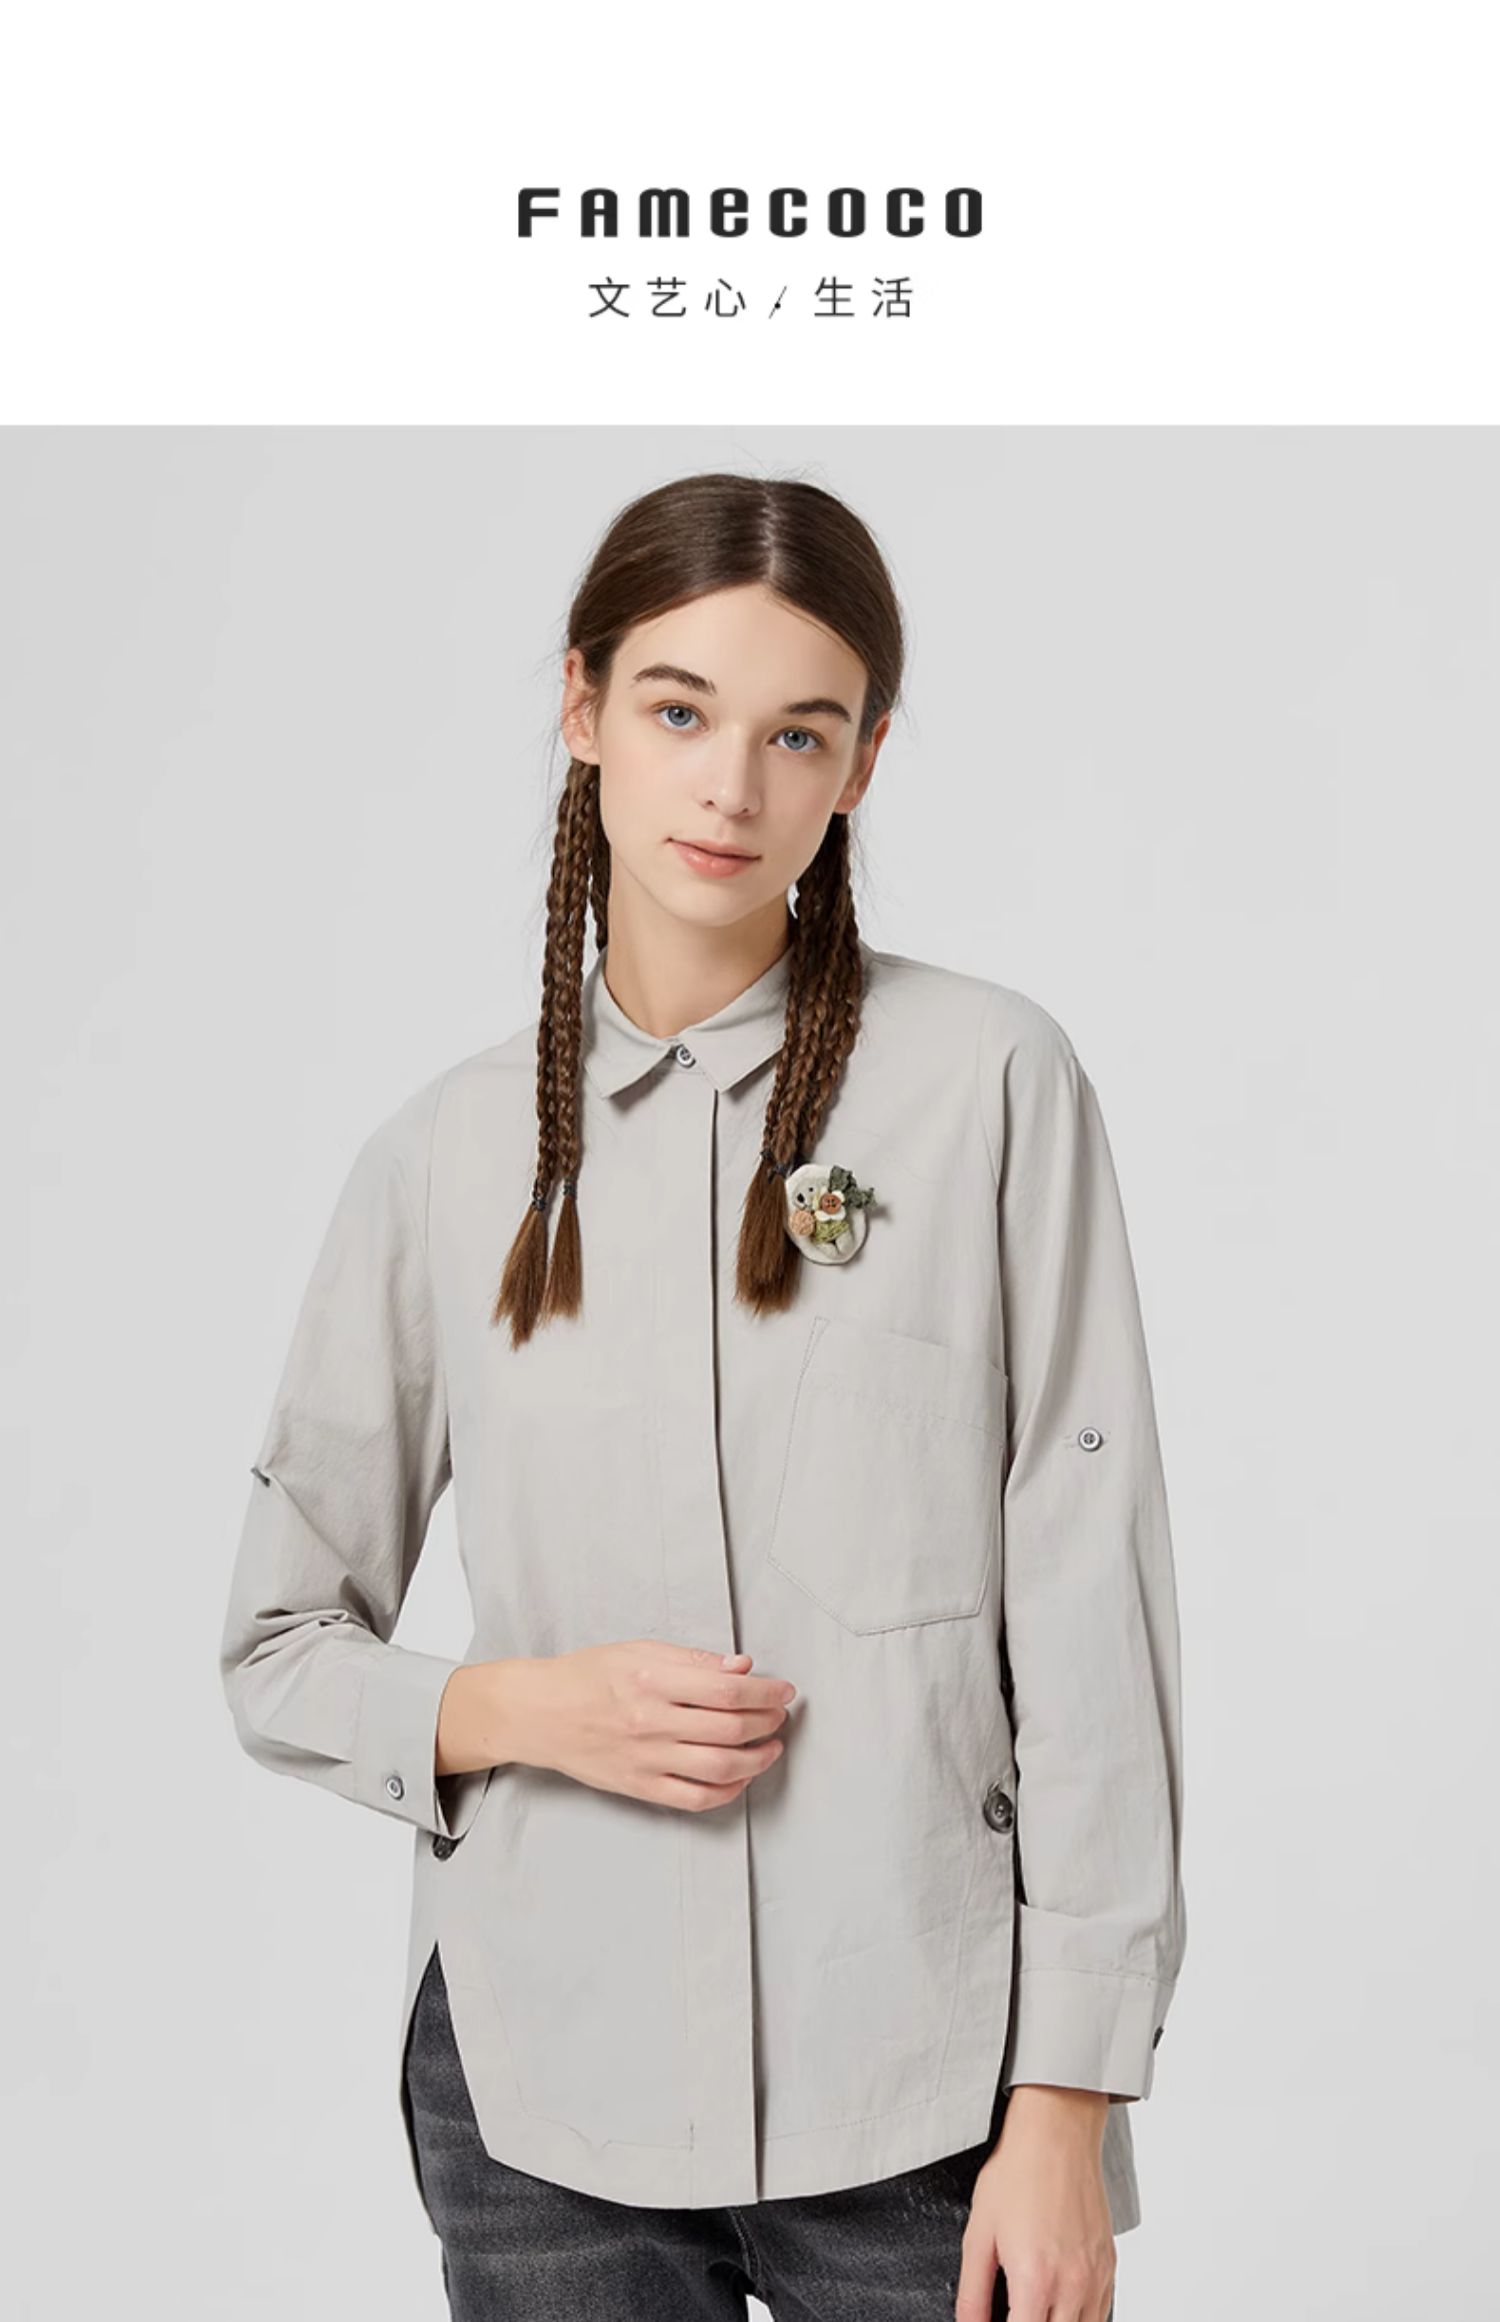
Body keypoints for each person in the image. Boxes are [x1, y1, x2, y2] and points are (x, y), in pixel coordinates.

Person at [219, 470, 1186, 2322]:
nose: (732, 785)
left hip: (929, 2102)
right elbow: (276, 1642)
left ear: (862, 762)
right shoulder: (441, 1163)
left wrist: (1069, 2099)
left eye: (797, 731)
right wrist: (528, 1706)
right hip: (541, 2099)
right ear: (583, 710)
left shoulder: (992, 1087)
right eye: (679, 711)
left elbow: (1090, 1609)